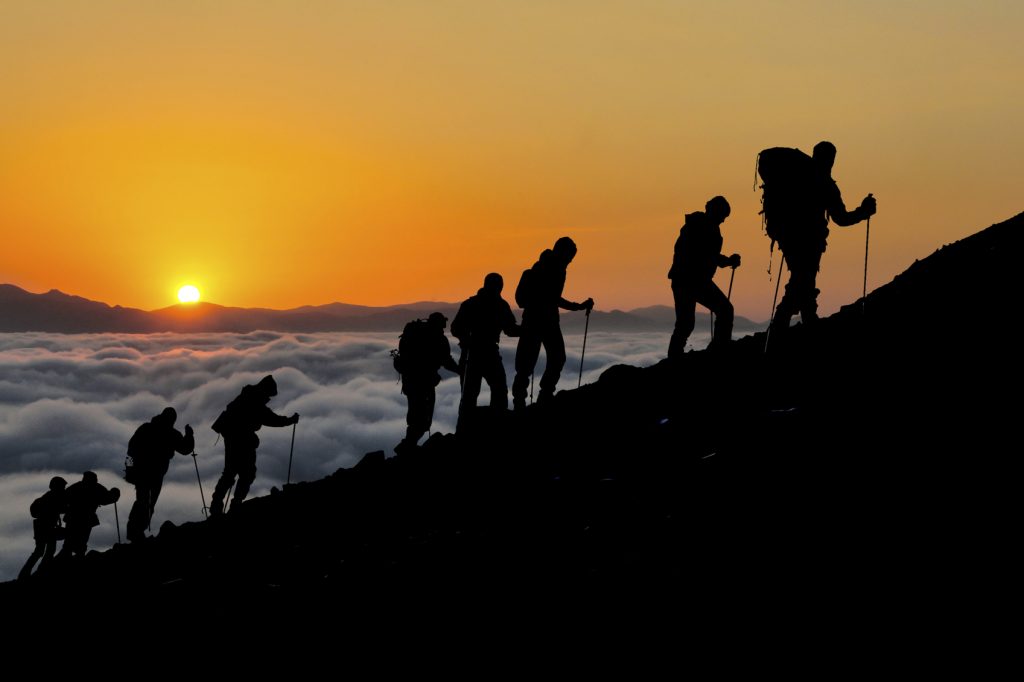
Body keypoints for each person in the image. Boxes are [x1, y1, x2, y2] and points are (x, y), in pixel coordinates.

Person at [770, 140, 877, 333]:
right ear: (831, 159)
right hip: (809, 243)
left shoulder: (797, 178)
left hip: (790, 241)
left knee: (802, 282)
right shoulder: (826, 185)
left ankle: (801, 322)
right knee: (801, 282)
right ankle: (784, 326)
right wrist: (863, 211)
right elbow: (841, 219)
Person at [511, 237, 593, 409]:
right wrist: (577, 306)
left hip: (539, 321)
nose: (570, 261)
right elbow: (553, 298)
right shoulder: (546, 270)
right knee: (539, 362)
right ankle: (538, 397)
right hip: (541, 322)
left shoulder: (554, 269)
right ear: (561, 252)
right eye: (569, 256)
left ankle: (528, 399)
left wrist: (577, 306)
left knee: (532, 363)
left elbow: (552, 298)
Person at [209, 375, 299, 516]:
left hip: (232, 438)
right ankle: (236, 505)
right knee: (247, 473)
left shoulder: (247, 396)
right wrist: (290, 420)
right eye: (269, 394)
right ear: (265, 390)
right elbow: (270, 418)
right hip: (243, 440)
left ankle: (216, 506)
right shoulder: (254, 401)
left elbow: (266, 416)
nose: (269, 397)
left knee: (230, 473)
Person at [667, 196, 741, 358]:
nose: (723, 221)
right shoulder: (701, 227)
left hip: (685, 280)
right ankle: (720, 348)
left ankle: (675, 357)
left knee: (686, 323)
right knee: (723, 311)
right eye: (722, 216)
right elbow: (705, 255)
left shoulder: (698, 226)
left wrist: (727, 260)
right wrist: (728, 261)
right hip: (691, 280)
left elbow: (708, 255)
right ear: (715, 211)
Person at [451, 273, 521, 419]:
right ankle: (494, 423)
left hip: (475, 353)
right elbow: (510, 329)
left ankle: (466, 428)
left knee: (471, 394)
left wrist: (466, 340)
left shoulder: (471, 304)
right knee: (494, 391)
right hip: (483, 353)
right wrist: (527, 330)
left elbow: (455, 328)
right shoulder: (500, 305)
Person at [125, 407, 195, 543]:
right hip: (154, 473)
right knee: (148, 503)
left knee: (143, 501)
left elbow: (131, 449)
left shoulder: (146, 428)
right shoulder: (171, 433)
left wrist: (129, 469)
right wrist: (189, 435)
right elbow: (186, 449)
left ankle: (135, 532)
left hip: (143, 472)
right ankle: (137, 532)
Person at [395, 312, 460, 453]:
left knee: (415, 414)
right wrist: (460, 370)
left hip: (410, 381)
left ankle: (408, 445)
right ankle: (407, 447)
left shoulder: (415, 333)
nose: (444, 326)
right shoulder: (438, 339)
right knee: (423, 418)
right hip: (425, 383)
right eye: (443, 323)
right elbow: (446, 361)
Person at [57, 471, 119, 559]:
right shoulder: (97, 488)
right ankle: (78, 557)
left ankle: (65, 559)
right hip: (87, 519)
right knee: (82, 541)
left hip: (72, 518)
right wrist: (115, 495)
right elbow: (106, 499)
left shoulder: (76, 487)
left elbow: (64, 499)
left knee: (69, 541)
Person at [18, 476, 67, 580]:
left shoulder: (48, 496)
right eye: (62, 487)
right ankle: (40, 572)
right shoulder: (52, 497)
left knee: (40, 551)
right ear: (57, 486)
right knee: (47, 551)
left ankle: (27, 574)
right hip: (46, 527)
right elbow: (60, 508)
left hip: (41, 527)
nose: (63, 489)